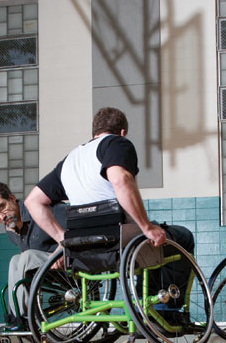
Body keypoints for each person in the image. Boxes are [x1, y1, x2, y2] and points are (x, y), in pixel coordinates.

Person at [25, 107, 187, 251]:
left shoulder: (70, 160)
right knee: (182, 237)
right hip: (117, 235)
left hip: (81, 241)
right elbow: (120, 180)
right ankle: (156, 286)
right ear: (122, 132)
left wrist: (63, 239)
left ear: (94, 134)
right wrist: (147, 227)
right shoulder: (117, 143)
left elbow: (32, 201)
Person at [0, 181, 66, 327]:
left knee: (27, 256)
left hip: (66, 262)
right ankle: (16, 316)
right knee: (15, 260)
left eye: (2, 207)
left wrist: (60, 250)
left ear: (11, 198)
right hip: (45, 271)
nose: (1, 216)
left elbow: (74, 233)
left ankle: (24, 318)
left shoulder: (41, 208)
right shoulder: (10, 230)